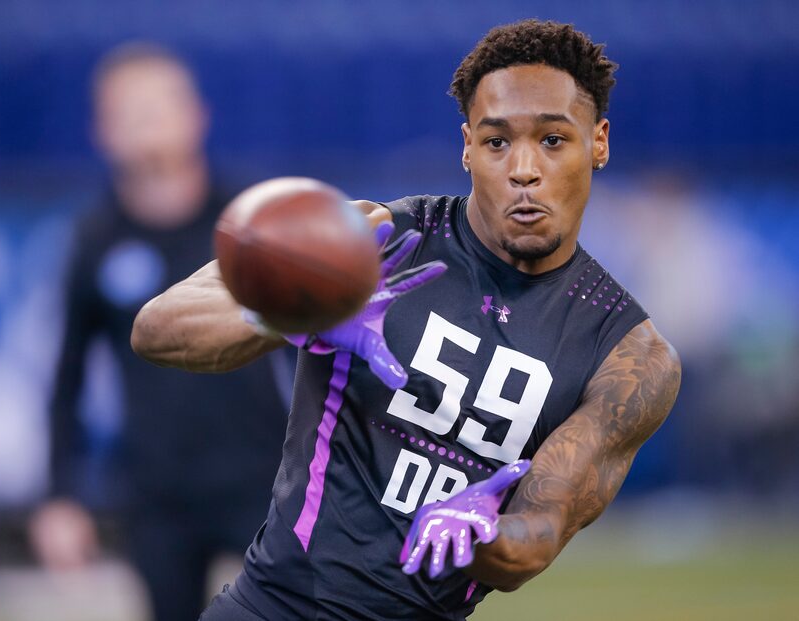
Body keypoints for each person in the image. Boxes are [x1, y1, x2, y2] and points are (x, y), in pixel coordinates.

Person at [131, 20, 681, 620]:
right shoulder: (371, 239)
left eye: (553, 140)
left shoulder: (628, 353)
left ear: (598, 142)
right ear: (467, 146)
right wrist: (290, 313)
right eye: (497, 143)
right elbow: (156, 328)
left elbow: (540, 533)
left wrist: (483, 535)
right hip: (274, 605)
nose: (524, 169)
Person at [29, 44, 290, 621]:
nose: (146, 126)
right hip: (156, 492)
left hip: (262, 477)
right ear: (102, 131)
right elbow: (67, 377)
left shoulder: (249, 220)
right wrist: (59, 498)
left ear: (197, 115)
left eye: (159, 108)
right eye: (129, 113)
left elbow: (308, 346)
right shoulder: (95, 240)